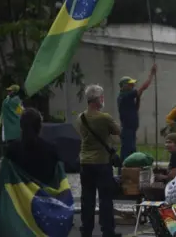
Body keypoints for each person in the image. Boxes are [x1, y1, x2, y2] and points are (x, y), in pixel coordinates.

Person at [76, 84, 121, 237]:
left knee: (87, 199)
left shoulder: (81, 117)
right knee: (105, 199)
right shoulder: (104, 118)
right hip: (102, 162)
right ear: (97, 100)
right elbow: (118, 131)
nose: (103, 100)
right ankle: (107, 231)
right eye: (102, 97)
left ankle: (86, 230)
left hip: (85, 162)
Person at [5, 108, 60, 184]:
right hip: (44, 194)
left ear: (21, 126)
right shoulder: (51, 149)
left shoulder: (11, 150)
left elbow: (6, 178)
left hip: (19, 194)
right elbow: (57, 179)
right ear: (40, 126)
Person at [118, 63, 157, 165]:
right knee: (127, 154)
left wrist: (138, 97)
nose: (133, 86)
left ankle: (128, 172)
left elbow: (136, 108)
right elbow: (143, 87)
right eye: (130, 84)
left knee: (130, 152)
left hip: (131, 130)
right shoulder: (125, 96)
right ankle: (123, 173)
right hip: (127, 130)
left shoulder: (128, 97)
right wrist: (151, 74)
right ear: (124, 86)